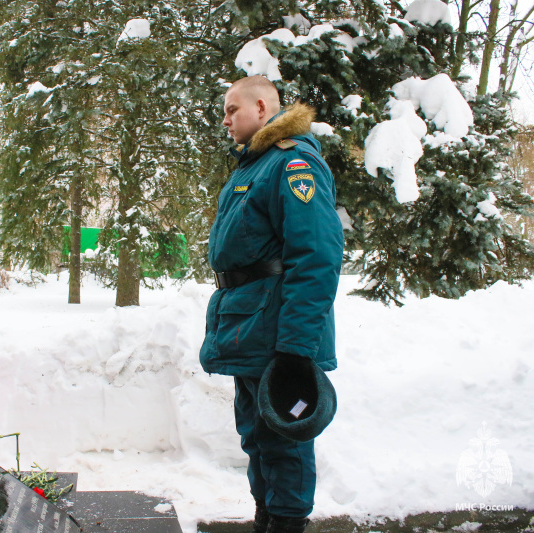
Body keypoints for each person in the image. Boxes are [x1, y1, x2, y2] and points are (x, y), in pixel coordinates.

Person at [199, 76, 344, 533]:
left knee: (284, 440)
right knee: (257, 437)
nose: (224, 120)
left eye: (230, 110)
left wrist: (296, 350)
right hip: (250, 325)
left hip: (277, 331)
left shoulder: (292, 162)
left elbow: (317, 257)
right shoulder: (253, 167)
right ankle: (266, 520)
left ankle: (285, 525)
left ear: (261, 107)